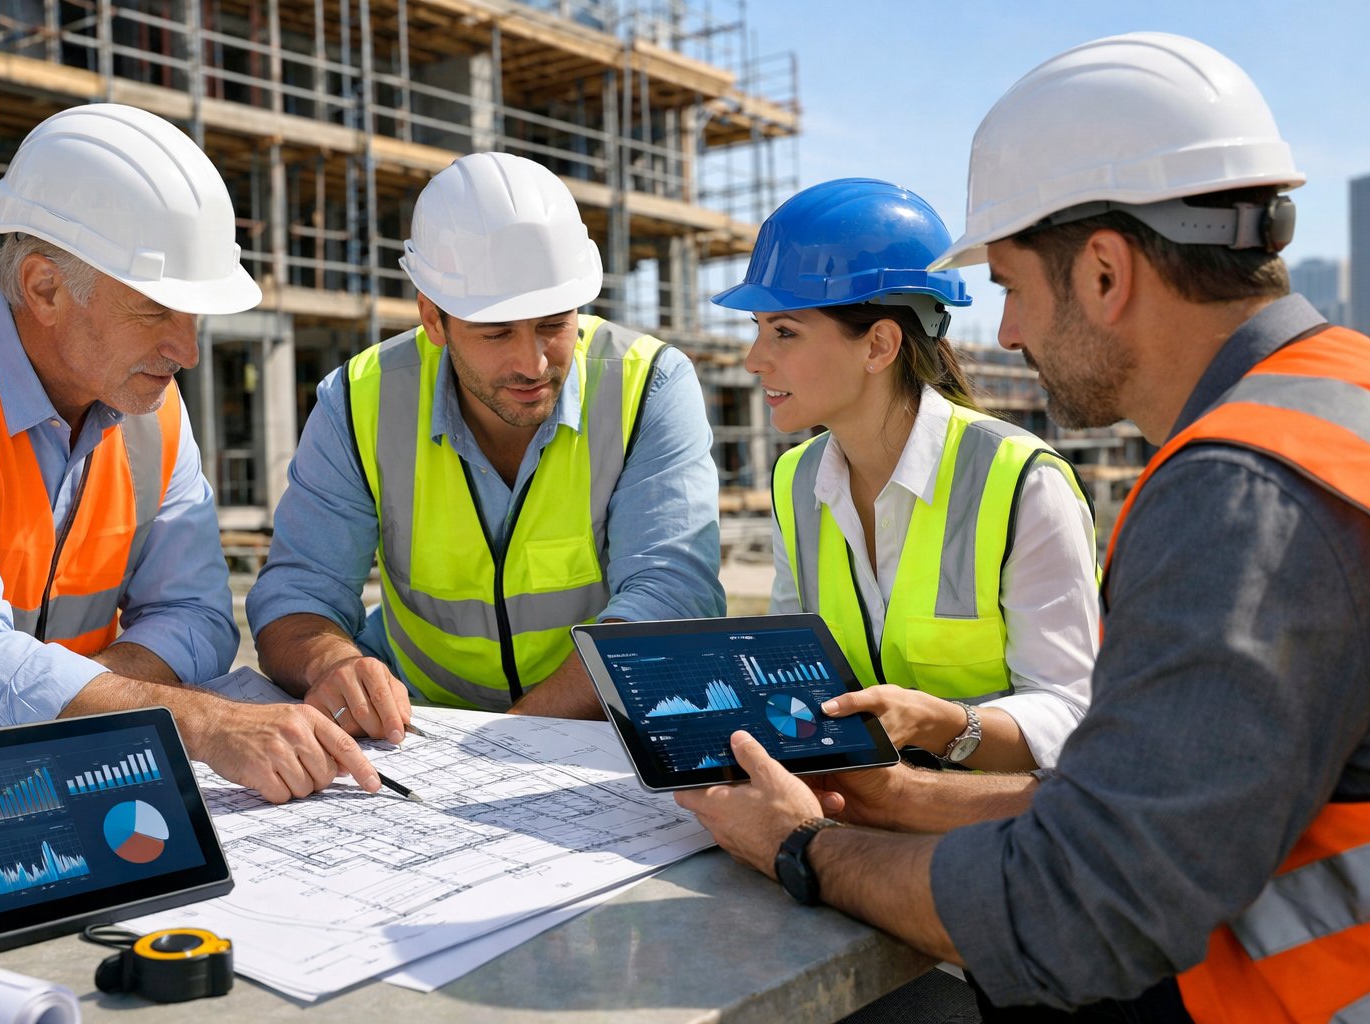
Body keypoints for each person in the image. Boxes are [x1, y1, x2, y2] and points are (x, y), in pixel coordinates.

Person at [676, 31, 1370, 1022]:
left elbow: (1079, 907)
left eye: (1009, 284)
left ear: (1102, 272)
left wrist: (802, 846)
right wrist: (897, 794)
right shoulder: (1333, 402)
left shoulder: (1242, 491)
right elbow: (1147, 802)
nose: (1001, 333)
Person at [0, 103, 385, 804]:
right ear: (44, 287)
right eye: (155, 310)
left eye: (195, 317)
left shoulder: (152, 415)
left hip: (41, 785)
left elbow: (200, 616)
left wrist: (97, 697)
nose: (186, 351)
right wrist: (200, 723)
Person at [248, 151, 725, 726]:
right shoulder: (357, 401)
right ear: (432, 318)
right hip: (420, 725)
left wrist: (514, 738)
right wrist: (332, 662)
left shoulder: (648, 385)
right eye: (496, 333)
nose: (533, 362)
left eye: (554, 324)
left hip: (602, 727)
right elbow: (297, 594)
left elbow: (671, 601)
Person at [712, 178, 1097, 771]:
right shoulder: (796, 479)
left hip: (996, 831)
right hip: (862, 806)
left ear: (878, 345)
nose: (753, 359)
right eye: (756, 329)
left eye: (783, 331)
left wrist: (944, 725)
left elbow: (1074, 715)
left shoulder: (1023, 483)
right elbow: (793, 667)